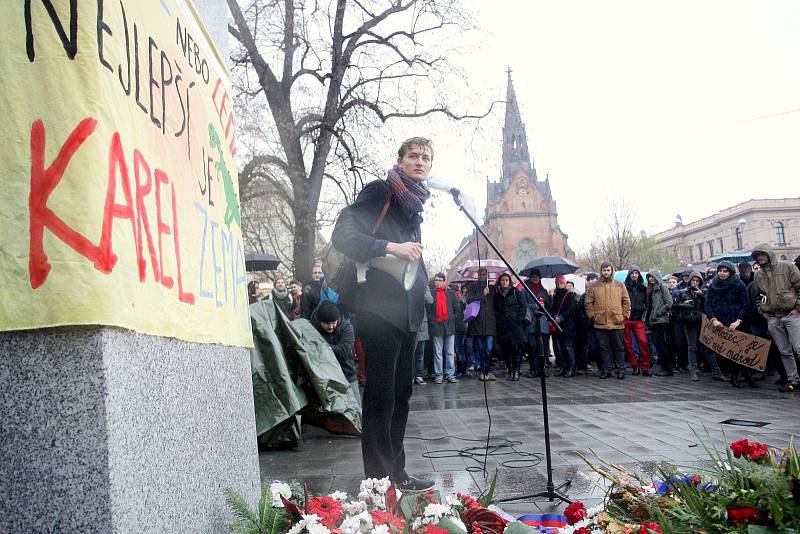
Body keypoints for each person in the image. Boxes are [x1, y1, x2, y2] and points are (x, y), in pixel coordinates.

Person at [331, 136, 433, 489]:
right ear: (400, 160)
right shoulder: (380, 192)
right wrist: (390, 246)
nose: (420, 162)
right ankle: (377, 479)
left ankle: (397, 472)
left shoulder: (415, 205)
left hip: (407, 313)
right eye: (414, 156)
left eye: (426, 158)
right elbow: (342, 234)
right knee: (381, 395)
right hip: (377, 310)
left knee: (401, 394)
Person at [751, 243, 800, 392]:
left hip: (791, 314)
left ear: (769, 254)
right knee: (784, 351)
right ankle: (794, 380)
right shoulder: (758, 275)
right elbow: (759, 296)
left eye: (762, 254)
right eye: (758, 256)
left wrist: (798, 308)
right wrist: (763, 312)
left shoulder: (787, 267)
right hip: (774, 318)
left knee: (799, 348)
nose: (760, 258)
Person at [705, 261, 755, 388]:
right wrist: (713, 319)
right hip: (721, 322)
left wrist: (739, 320)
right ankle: (735, 377)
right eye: (720, 271)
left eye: (725, 271)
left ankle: (744, 377)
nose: (722, 273)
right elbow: (708, 304)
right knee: (727, 352)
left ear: (730, 272)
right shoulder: (713, 285)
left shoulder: (739, 284)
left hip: (738, 322)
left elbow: (745, 303)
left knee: (742, 351)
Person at [585, 262, 631, 379]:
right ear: (601, 271)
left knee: (619, 347)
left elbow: (626, 301)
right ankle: (607, 370)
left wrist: (624, 316)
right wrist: (593, 316)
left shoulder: (620, 285)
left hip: (617, 322)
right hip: (600, 322)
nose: (606, 272)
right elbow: (588, 303)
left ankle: (620, 370)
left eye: (608, 270)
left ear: (612, 271)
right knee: (603, 348)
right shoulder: (594, 286)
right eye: (604, 270)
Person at [312, 301, 360, 405]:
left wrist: (323, 347)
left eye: (333, 322)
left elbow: (344, 350)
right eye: (326, 323)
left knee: (355, 408)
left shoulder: (347, 328)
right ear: (319, 321)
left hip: (347, 374)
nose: (330, 326)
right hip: (324, 377)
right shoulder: (312, 329)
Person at [465, 267, 498, 381]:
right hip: (478, 323)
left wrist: (492, 290)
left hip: (490, 323)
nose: (482, 276)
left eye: (484, 274)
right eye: (480, 274)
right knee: (480, 348)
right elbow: (469, 300)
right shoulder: (473, 287)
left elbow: (497, 302)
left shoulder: (492, 288)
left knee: (489, 348)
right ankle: (483, 372)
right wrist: (482, 295)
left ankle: (486, 370)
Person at [493, 273, 527, 381]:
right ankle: (511, 370)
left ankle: (516, 372)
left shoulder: (516, 292)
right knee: (506, 349)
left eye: (506, 280)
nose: (504, 282)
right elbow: (496, 310)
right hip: (503, 326)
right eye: (502, 280)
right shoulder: (497, 295)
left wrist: (519, 318)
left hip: (515, 325)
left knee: (516, 349)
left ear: (509, 281)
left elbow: (523, 306)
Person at [427, 273, 460, 384]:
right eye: (436, 280)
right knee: (438, 353)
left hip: (449, 327)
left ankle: (450, 375)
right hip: (437, 327)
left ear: (444, 281)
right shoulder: (431, 293)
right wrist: (432, 321)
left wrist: (452, 319)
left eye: (440, 280)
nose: (437, 282)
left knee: (450, 353)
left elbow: (457, 308)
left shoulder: (450, 293)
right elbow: (428, 310)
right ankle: (439, 375)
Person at [549, 275, 579, 377]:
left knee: (568, 347)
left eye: (561, 283)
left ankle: (571, 368)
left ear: (564, 283)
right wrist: (554, 316)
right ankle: (563, 367)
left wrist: (561, 317)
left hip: (567, 326)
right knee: (560, 348)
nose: (559, 284)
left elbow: (571, 310)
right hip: (558, 326)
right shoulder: (556, 295)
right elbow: (552, 309)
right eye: (557, 283)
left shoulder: (569, 295)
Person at [623, 266, 651, 375]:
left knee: (643, 342)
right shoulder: (624, 288)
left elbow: (647, 304)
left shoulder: (643, 288)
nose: (634, 275)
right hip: (627, 318)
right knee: (628, 344)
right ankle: (635, 366)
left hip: (639, 319)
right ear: (629, 275)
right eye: (632, 273)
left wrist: (645, 317)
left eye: (636, 273)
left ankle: (645, 367)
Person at [524, 270, 552, 378]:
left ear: (540, 278)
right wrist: (534, 306)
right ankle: (532, 369)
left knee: (543, 348)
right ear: (530, 278)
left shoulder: (544, 291)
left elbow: (549, 307)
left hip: (542, 324)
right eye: (533, 276)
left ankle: (542, 369)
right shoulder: (526, 291)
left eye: (537, 276)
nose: (535, 278)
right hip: (531, 323)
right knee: (532, 347)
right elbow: (524, 305)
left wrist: (550, 297)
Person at [646, 271, 674, 377]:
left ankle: (668, 368)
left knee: (659, 343)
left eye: (652, 277)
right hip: (654, 320)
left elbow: (669, 302)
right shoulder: (651, 290)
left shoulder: (662, 287)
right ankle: (665, 367)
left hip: (661, 319)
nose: (650, 279)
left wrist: (658, 313)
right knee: (658, 343)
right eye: (649, 277)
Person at [413, 287, 433, 385]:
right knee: (410, 354)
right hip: (411, 325)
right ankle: (410, 376)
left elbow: (430, 300)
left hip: (422, 325)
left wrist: (424, 289)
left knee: (420, 354)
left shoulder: (424, 287)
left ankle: (419, 376)